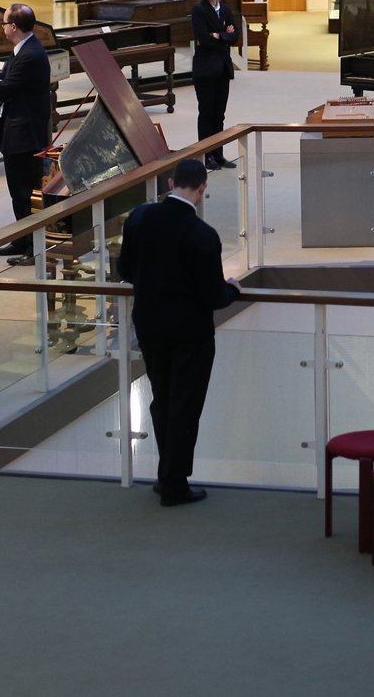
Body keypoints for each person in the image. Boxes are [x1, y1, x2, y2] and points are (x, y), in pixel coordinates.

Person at [117, 157, 240, 506]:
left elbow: (125, 269)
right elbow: (214, 296)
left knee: (163, 400)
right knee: (185, 406)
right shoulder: (202, 235)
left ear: (171, 184)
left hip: (150, 326)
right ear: (202, 189)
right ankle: (173, 482)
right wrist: (234, 288)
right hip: (191, 333)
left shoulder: (139, 217)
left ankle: (166, 474)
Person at [0, 3, 52, 265]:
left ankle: (34, 249)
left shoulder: (30, 55)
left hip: (25, 137)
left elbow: (2, 88)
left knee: (27, 193)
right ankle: (23, 238)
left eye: (4, 23)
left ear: (13, 27)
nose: (3, 27)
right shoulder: (22, 51)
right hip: (17, 133)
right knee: (18, 192)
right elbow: (1, 81)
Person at [190, 0, 239, 169]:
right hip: (205, 69)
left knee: (219, 114)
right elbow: (203, 39)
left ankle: (218, 154)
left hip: (222, 69)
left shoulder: (226, 10)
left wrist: (218, 35)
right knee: (206, 113)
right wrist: (222, 34)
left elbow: (235, 37)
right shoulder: (198, 11)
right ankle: (206, 155)